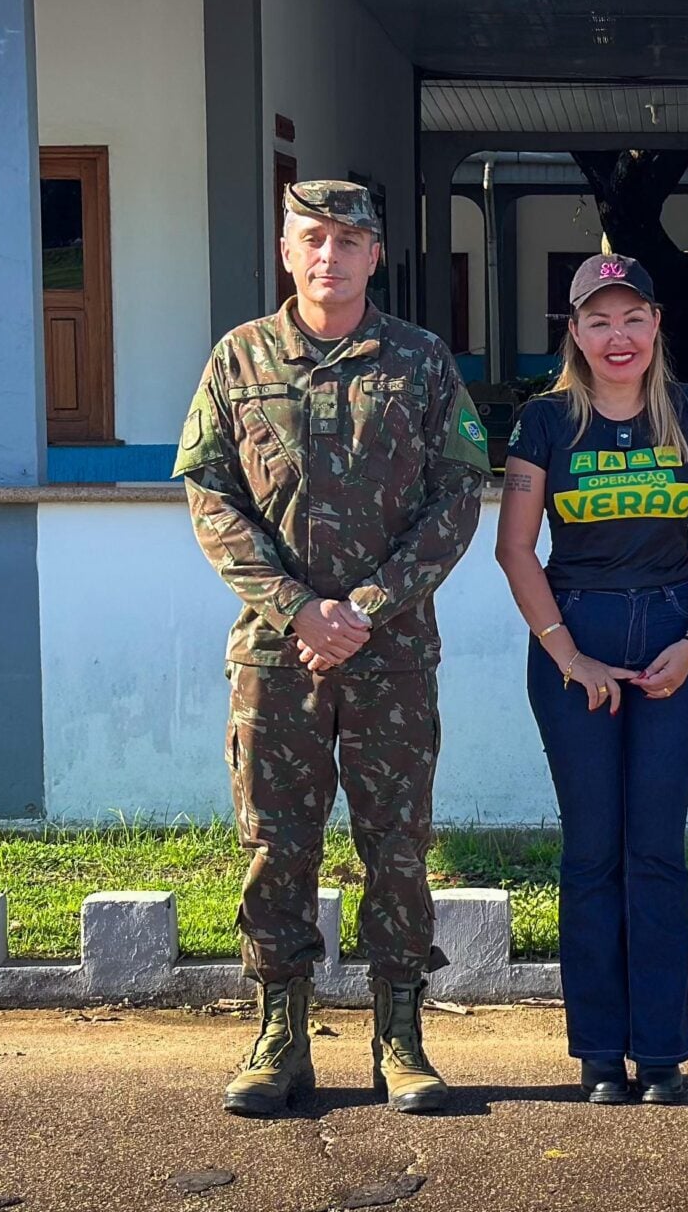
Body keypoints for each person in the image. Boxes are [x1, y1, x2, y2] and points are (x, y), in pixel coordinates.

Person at [174, 179, 494, 1117]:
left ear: (375, 256)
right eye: (312, 238)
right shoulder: (239, 360)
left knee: (396, 846)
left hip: (391, 655)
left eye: (348, 241)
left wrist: (362, 606)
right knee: (278, 846)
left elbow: (456, 499)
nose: (329, 256)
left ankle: (401, 1040)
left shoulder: (422, 363)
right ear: (285, 250)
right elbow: (211, 499)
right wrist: (297, 612)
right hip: (278, 659)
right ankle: (280, 1037)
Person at [494, 252, 688, 1107]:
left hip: (673, 628)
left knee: (657, 850)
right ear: (575, 332)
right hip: (577, 631)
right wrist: (569, 657)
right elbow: (515, 550)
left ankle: (663, 1050)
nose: (618, 336)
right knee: (593, 850)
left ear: (657, 323)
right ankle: (600, 1051)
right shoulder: (544, 423)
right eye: (599, 320)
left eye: (632, 318)